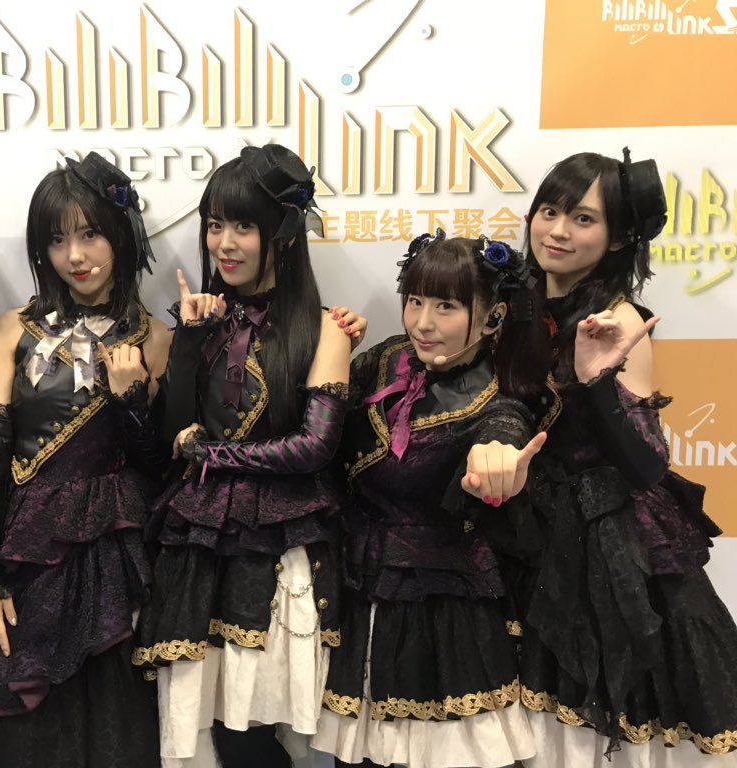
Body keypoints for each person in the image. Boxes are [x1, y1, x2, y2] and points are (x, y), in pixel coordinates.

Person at [0, 153, 168, 767]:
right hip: (25, 551)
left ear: (120, 234)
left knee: (117, 727)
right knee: (25, 727)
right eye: (57, 240)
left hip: (113, 551)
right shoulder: (15, 328)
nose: (75, 256)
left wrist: (131, 402)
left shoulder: (155, 337)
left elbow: (156, 466)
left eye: (90, 234)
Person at [134, 143, 356, 767]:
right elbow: (172, 435)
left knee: (272, 719)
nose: (224, 244)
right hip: (199, 544)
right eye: (214, 225)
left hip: (281, 546)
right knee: (210, 725)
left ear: (282, 233)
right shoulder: (201, 324)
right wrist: (189, 341)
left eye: (244, 226)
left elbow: (315, 447)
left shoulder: (326, 329)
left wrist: (212, 454)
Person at [516, 149, 737, 764]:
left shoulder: (619, 321)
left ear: (617, 239)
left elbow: (646, 466)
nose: (558, 230)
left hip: (604, 543)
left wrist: (596, 386)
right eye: (550, 211)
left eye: (583, 219)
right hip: (523, 525)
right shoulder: (517, 303)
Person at [311, 231, 554, 768]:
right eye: (416, 300)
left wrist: (497, 459)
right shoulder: (384, 359)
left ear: (492, 317)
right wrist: (332, 344)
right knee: (361, 755)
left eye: (446, 306)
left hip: (443, 604)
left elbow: (504, 431)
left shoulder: (499, 396)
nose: (422, 322)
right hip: (360, 588)